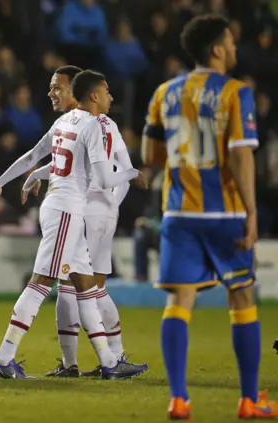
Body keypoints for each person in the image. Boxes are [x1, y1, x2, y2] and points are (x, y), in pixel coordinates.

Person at [141, 14, 278, 420]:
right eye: (232, 43)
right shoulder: (237, 92)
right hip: (224, 213)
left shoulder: (164, 92)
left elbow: (150, 158)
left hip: (179, 212)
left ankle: (179, 399)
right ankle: (249, 399)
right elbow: (240, 154)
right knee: (241, 298)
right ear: (217, 49)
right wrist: (253, 212)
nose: (236, 49)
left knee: (179, 302)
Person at [0, 70, 147, 379]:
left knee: (86, 287)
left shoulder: (63, 122)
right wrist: (131, 173)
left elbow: (33, 157)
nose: (111, 97)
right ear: (94, 95)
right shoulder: (94, 126)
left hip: (63, 207)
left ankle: (109, 362)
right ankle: (4, 357)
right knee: (41, 282)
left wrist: (2, 181)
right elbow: (104, 178)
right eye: (107, 90)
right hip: (68, 210)